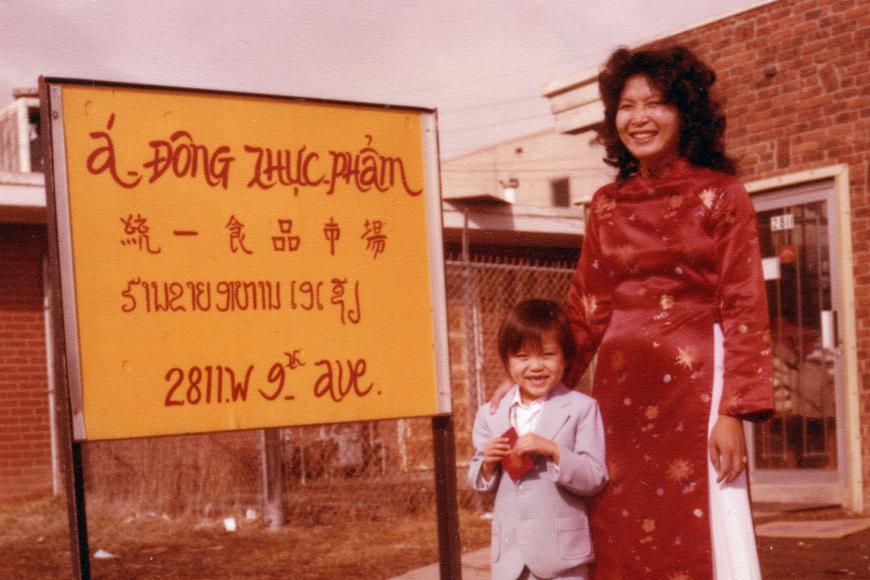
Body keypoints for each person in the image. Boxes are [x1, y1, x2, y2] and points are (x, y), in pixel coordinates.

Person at [491, 45, 774, 579]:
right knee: (616, 516)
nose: (639, 118)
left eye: (656, 103)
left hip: (696, 392)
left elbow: (743, 305)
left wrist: (733, 412)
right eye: (627, 105)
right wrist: (537, 383)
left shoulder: (722, 195)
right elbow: (586, 309)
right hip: (619, 393)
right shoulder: (606, 204)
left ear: (685, 112)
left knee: (700, 526)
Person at [469, 299, 608, 580]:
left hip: (561, 557)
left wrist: (554, 450)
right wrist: (487, 463)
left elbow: (595, 477)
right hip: (510, 558)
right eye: (522, 357)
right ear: (507, 362)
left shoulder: (581, 408)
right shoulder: (491, 414)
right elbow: (477, 479)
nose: (535, 366)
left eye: (547, 354)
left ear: (566, 358)